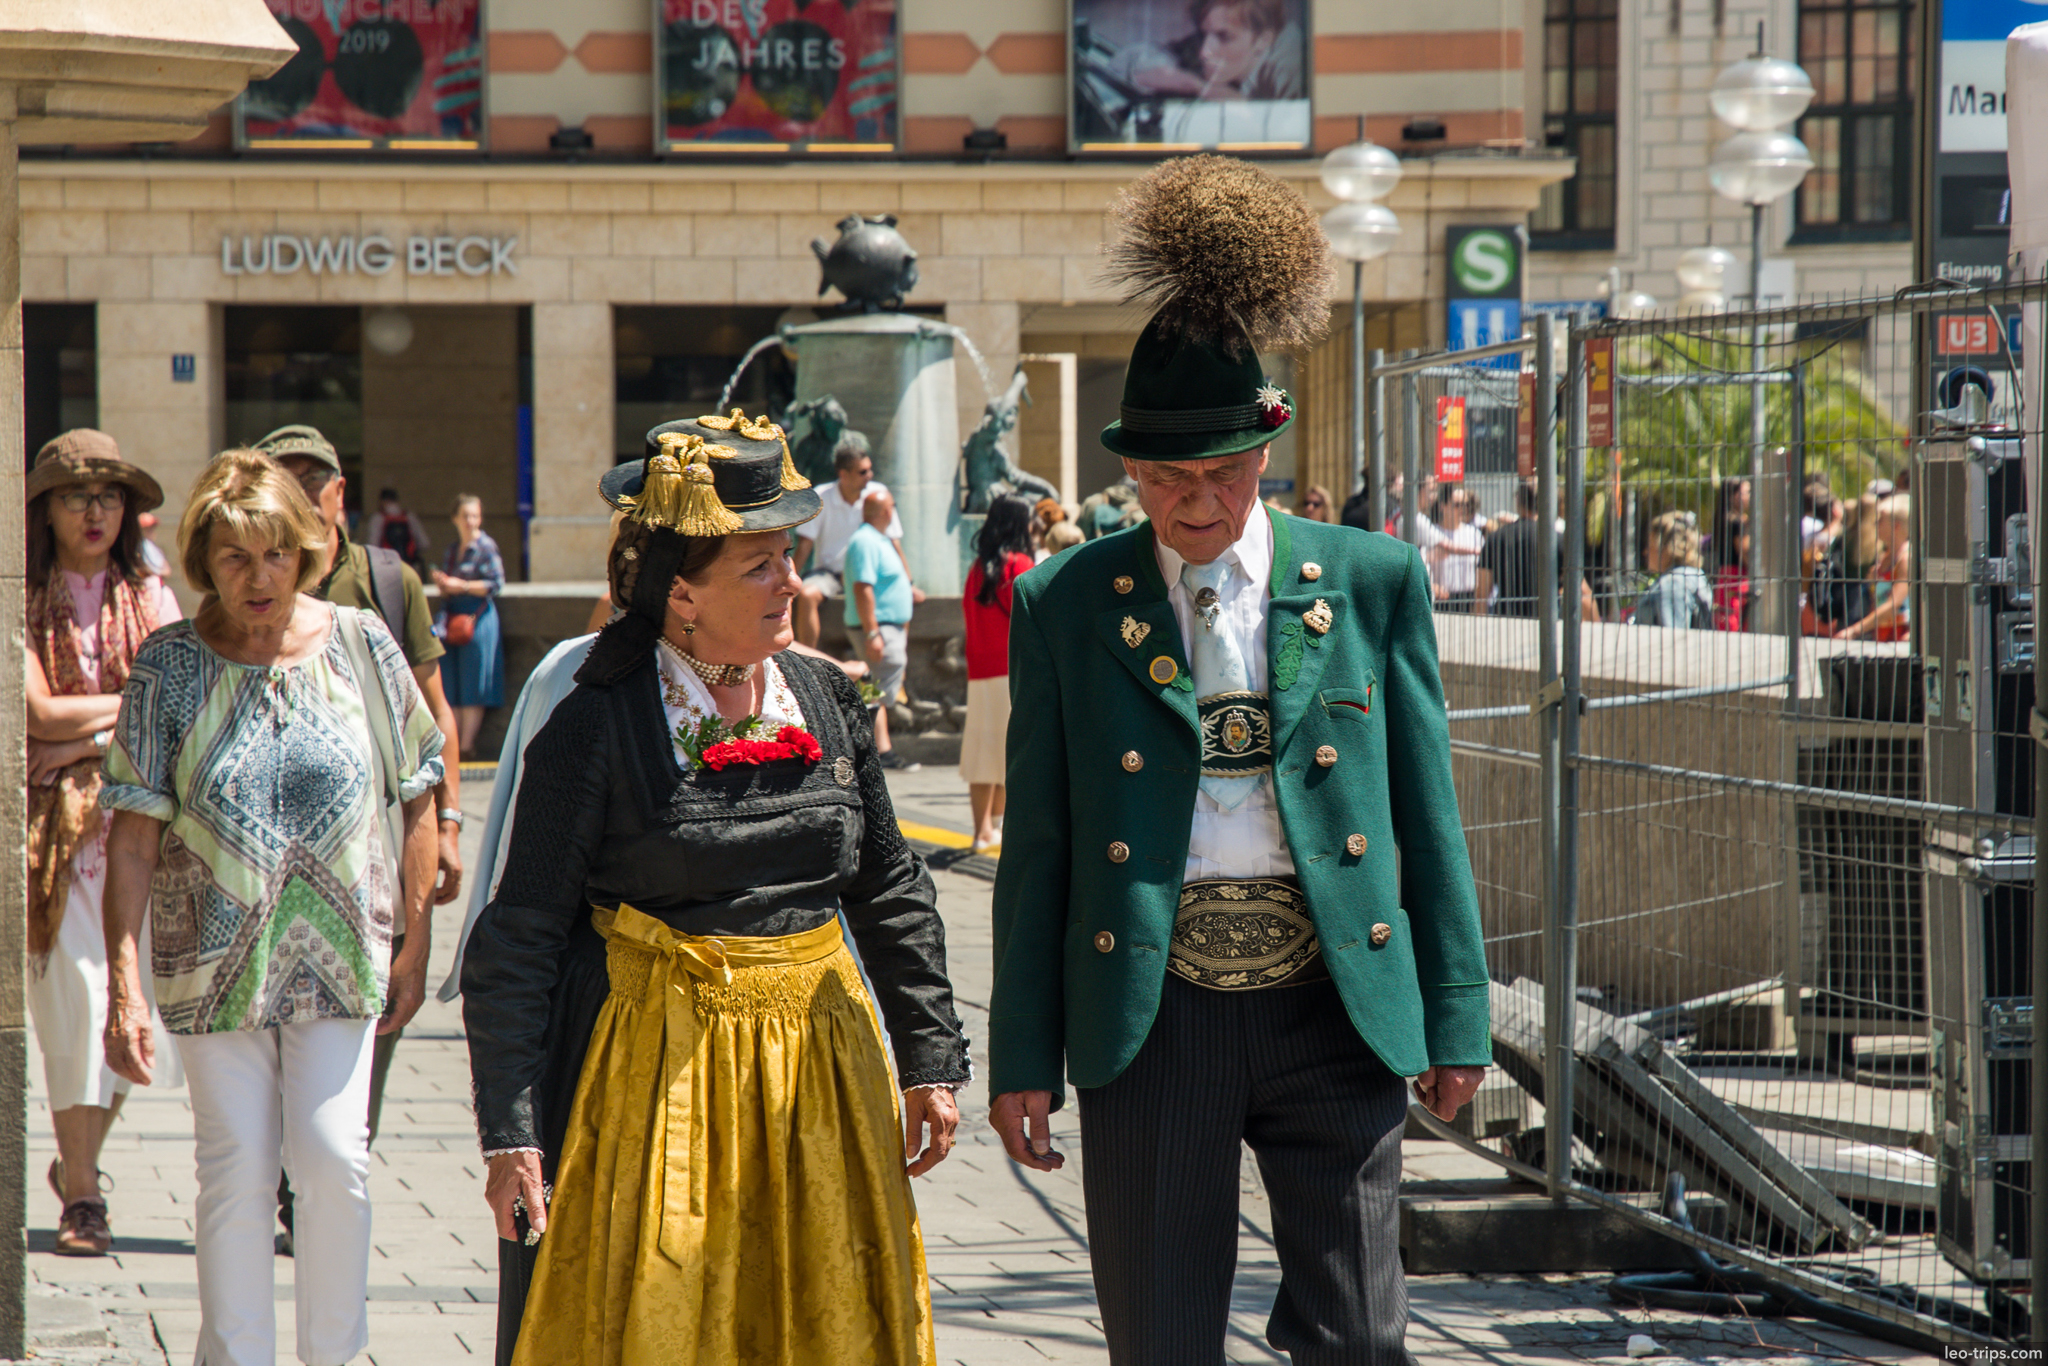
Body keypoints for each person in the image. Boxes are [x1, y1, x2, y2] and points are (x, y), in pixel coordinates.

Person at [990, 155, 1488, 1364]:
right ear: (1127, 468)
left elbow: (1424, 809)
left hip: (1335, 999)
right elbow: (1041, 844)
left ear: (1266, 448)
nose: (1195, 502)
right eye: (1165, 478)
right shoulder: (1064, 601)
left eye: (1218, 472)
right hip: (1151, 1011)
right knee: (1160, 1336)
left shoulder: (1370, 579)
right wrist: (1021, 1055)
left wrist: (1455, 1011)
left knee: (1360, 1337)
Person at [460, 414, 971, 1366]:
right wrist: (512, 1135)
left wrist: (928, 1058)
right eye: (760, 565)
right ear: (681, 593)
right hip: (660, 1076)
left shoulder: (825, 698)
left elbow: (890, 886)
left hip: (822, 1072)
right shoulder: (597, 723)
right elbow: (520, 933)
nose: (792, 583)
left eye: (790, 557)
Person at [102, 449, 444, 1366]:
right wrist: (124, 983)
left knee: (334, 1161)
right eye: (235, 557)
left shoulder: (362, 645)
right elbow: (132, 837)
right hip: (208, 963)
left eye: (276, 554)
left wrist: (417, 938)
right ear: (202, 561)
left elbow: (421, 790)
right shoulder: (169, 665)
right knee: (236, 1174)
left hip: (344, 952)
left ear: (306, 551)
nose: (259, 578)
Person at [253, 423, 464, 1255]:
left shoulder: (386, 580)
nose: (305, 495)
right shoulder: (250, 575)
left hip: (379, 837)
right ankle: (289, 1179)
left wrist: (448, 823)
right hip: (275, 847)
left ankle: (323, 1182)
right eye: (287, 479)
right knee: (279, 1022)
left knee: (376, 1015)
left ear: (341, 491)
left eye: (317, 480)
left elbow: (433, 714)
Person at [23, 430, 184, 1257]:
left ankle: (78, 1163)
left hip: (143, 834)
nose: (95, 511)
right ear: (44, 510)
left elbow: (174, 702)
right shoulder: (21, 597)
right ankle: (83, 1196)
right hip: (55, 846)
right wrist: (118, 710)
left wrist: (78, 742)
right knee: (77, 1008)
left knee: (134, 1012)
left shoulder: (153, 596)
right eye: (75, 496)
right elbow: (35, 712)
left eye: (110, 496)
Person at [961, 496, 1035, 853]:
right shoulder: (1022, 564)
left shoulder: (978, 568)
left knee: (981, 751)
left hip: (980, 671)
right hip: (1014, 670)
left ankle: (982, 830)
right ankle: (997, 825)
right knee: (1012, 750)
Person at [792, 432, 908, 646]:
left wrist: (908, 583)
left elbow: (894, 543)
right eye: (862, 471)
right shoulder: (821, 496)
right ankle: (807, 659)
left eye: (870, 469)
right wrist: (788, 583)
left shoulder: (879, 494)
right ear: (843, 474)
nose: (869, 475)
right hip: (829, 574)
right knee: (807, 595)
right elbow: (804, 546)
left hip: (869, 574)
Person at [844, 488, 919, 770]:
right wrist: (872, 633)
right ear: (887, 511)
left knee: (873, 692)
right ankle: (868, 754)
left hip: (885, 627)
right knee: (872, 695)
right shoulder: (865, 541)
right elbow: (863, 587)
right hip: (878, 629)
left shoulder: (878, 539)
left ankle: (879, 753)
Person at [433, 493, 507, 753]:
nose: (470, 521)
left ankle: (466, 746)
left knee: (474, 682)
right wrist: (444, 584)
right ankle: (453, 745)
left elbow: (496, 584)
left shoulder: (486, 546)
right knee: (451, 683)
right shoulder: (453, 549)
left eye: (475, 516)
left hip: (477, 618)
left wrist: (462, 585)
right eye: (465, 516)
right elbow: (450, 586)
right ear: (455, 518)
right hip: (452, 618)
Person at [1475, 479, 1600, 621]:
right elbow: (1583, 593)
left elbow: (1481, 594)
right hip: (1547, 623)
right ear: (1548, 501)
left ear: (1518, 501)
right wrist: (1596, 627)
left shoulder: (1495, 539)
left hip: (1507, 622)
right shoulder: (1558, 540)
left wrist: (1481, 627)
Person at [1835, 493, 1912, 643]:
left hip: (1900, 639)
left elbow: (1894, 604)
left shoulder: (1906, 559)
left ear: (1896, 526)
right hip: (1881, 636)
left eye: (1880, 520)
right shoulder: (1885, 558)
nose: (1875, 524)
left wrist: (1855, 630)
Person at [1630, 512, 1714, 629]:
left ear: (1665, 548)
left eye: (1650, 545)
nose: (1645, 552)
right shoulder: (1692, 576)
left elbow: (1672, 634)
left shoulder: (1674, 582)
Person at [1425, 485, 1484, 611]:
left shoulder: (1474, 534)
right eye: (1457, 505)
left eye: (1465, 504)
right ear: (1443, 506)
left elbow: (1482, 567)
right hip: (1443, 598)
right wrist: (1432, 586)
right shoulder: (1432, 533)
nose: (1463, 508)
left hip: (1470, 596)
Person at [364, 486, 432, 572]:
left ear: (382, 501)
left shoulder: (378, 518)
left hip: (387, 567)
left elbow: (373, 546)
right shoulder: (410, 517)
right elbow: (425, 544)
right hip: (409, 566)